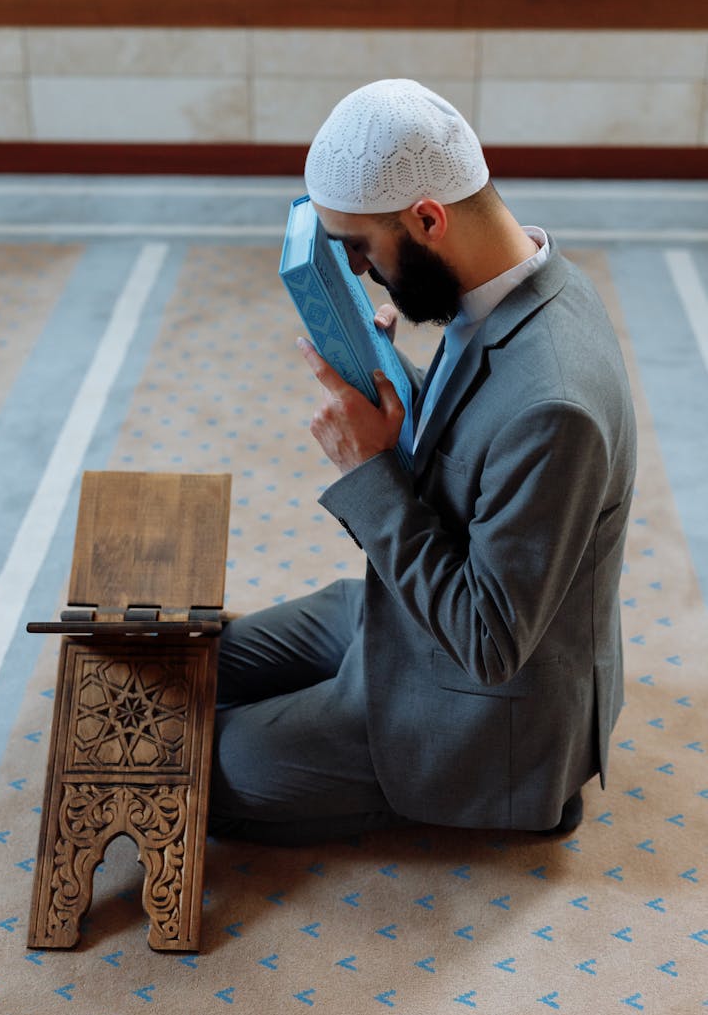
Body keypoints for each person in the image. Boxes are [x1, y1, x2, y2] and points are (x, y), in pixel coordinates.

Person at [208, 79, 637, 845]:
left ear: (428, 218)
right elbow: (481, 458)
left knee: (199, 764)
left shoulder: (557, 402)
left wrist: (366, 471)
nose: (363, 274)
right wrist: (399, 388)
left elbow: (487, 643)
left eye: (362, 250)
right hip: (400, 619)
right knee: (199, 668)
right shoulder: (517, 284)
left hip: (473, 711)